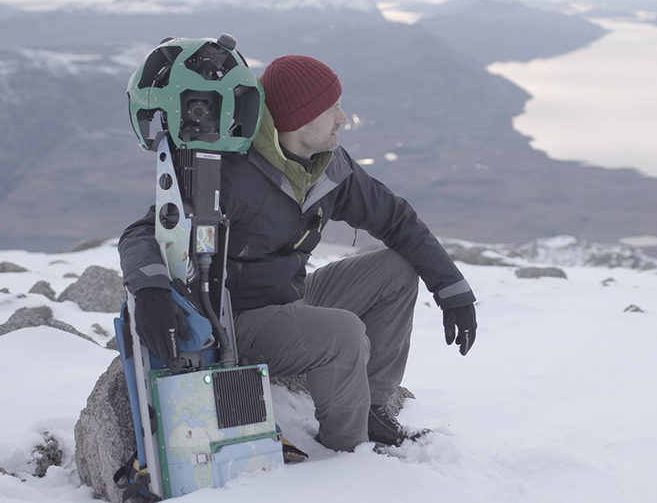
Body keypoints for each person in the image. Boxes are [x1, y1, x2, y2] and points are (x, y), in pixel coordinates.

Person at [118, 54, 477, 452]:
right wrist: (150, 291)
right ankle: (349, 452)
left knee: (397, 270)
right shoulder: (230, 172)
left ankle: (370, 411)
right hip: (236, 322)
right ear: (299, 119)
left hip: (291, 296)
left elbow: (397, 220)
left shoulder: (326, 166)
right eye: (332, 109)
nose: (343, 118)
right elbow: (143, 232)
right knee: (343, 334)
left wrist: (451, 289)